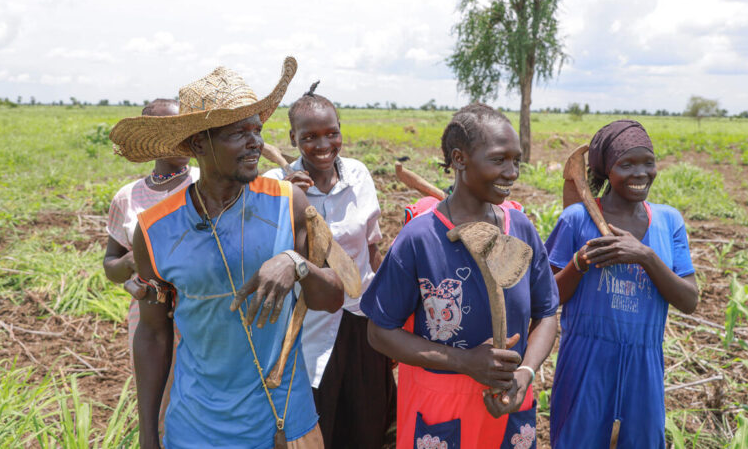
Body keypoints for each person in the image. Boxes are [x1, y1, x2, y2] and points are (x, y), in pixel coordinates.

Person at [109, 58, 344, 449]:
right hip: (197, 428)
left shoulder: (288, 203)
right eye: (239, 133)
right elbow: (152, 333)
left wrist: (297, 264)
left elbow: (333, 297)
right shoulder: (154, 229)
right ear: (199, 143)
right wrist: (150, 433)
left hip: (285, 425)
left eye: (257, 129)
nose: (256, 142)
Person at [360, 103, 559, 449]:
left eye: (516, 160)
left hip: (509, 401)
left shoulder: (521, 230)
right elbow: (380, 332)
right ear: (459, 158)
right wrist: (464, 361)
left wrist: (525, 374)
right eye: (499, 160)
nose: (512, 172)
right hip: (441, 406)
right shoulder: (421, 238)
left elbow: (546, 314)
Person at [545, 120, 698, 448]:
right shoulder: (576, 219)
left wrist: (645, 256)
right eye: (626, 164)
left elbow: (689, 301)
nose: (641, 173)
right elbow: (546, 297)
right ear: (605, 169)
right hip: (586, 360)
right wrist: (579, 263)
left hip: (645, 365)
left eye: (648, 162)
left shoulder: (669, 220)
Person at [263, 81, 395, 449]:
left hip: (361, 317)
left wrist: (390, 315)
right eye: (310, 137)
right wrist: (288, 197)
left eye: (331, 133)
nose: (323, 146)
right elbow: (269, 255)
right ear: (293, 138)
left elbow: (371, 249)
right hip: (309, 322)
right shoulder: (275, 184)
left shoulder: (357, 175)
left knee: (366, 418)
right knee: (318, 422)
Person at [103, 98, 199, 436]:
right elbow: (111, 266)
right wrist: (134, 262)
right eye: (171, 130)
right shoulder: (128, 197)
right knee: (157, 400)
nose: (182, 137)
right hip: (147, 318)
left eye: (186, 128)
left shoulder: (205, 185)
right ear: (150, 136)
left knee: (196, 399)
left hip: (202, 312)